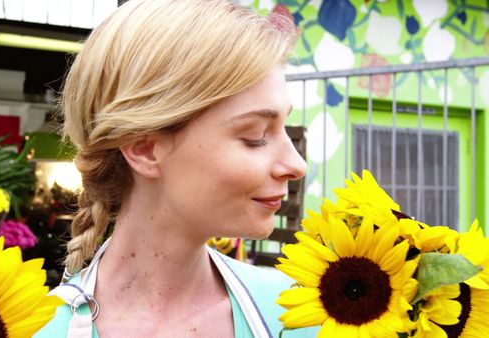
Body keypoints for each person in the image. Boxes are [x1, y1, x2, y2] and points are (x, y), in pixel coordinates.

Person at [36, 0, 317, 337]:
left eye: (285, 127)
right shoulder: (37, 330)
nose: (296, 165)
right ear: (145, 148)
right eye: (255, 136)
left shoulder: (299, 314)